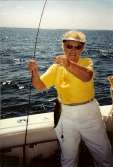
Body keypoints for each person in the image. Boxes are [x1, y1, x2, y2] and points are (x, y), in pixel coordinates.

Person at [28, 31, 113, 167]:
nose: (73, 50)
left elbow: (87, 76)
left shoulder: (87, 62)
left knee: (104, 155)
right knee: (68, 157)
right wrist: (34, 71)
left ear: (82, 48)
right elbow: (39, 85)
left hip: (89, 113)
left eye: (78, 47)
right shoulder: (56, 67)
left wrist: (67, 64)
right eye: (69, 46)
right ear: (63, 47)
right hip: (65, 115)